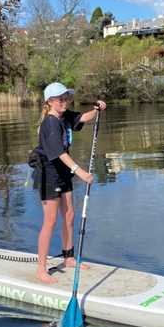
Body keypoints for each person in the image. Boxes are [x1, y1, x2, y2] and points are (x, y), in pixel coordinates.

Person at [34, 82, 106, 284]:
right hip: (49, 174)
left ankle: (69, 258)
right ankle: (41, 269)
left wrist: (96, 109)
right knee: (50, 221)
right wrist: (81, 172)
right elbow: (58, 153)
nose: (65, 101)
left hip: (63, 173)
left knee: (69, 216)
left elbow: (82, 118)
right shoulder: (50, 123)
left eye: (66, 98)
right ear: (50, 102)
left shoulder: (64, 116)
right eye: (60, 99)